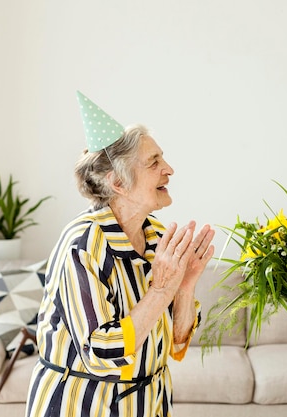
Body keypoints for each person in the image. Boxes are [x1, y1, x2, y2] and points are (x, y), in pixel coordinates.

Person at [25, 92, 215, 417]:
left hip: (148, 404)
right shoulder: (83, 243)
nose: (169, 169)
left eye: (163, 158)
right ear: (118, 183)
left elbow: (178, 343)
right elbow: (101, 354)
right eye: (153, 162)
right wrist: (161, 291)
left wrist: (184, 289)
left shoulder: (156, 236)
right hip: (83, 406)